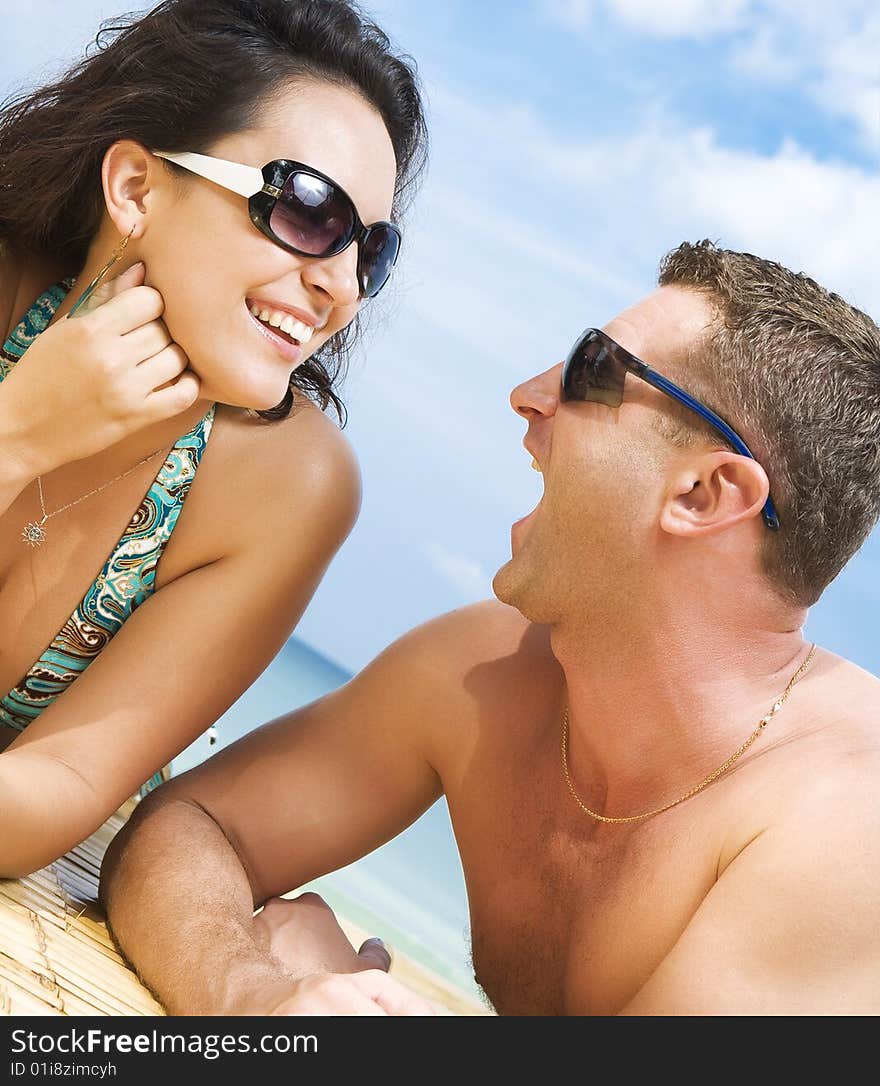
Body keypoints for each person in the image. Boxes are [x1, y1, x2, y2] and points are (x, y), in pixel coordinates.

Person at [101, 240, 880, 1016]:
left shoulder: (842, 831)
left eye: (592, 371)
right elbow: (189, 826)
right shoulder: (488, 671)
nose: (528, 394)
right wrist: (259, 995)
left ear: (707, 494)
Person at [0, 0, 427, 879]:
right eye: (310, 210)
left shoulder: (286, 489)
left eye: (371, 251)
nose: (342, 285)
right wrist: (18, 435)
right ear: (136, 188)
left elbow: (53, 795)